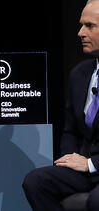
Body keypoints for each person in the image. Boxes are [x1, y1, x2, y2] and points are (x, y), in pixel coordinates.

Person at [23, 0, 99, 210]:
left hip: (93, 165)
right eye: (81, 25)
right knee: (35, 182)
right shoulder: (80, 74)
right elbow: (70, 130)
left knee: (96, 201)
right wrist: (72, 159)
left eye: (90, 26)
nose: (80, 32)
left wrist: (91, 164)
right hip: (86, 167)